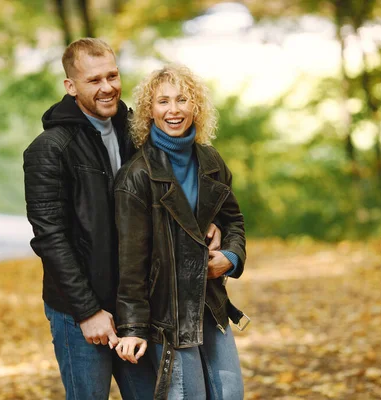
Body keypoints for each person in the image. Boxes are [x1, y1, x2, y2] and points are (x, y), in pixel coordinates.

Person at [23, 39, 222, 400]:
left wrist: (207, 225)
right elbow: (50, 239)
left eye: (112, 76)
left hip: (137, 307)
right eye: (93, 80)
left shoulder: (137, 133)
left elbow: (174, 191)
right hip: (79, 312)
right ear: (71, 87)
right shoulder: (49, 149)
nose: (107, 87)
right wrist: (87, 311)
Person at [113, 64, 250, 400]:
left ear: (196, 107)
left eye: (182, 100)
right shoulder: (137, 175)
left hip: (210, 301)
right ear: (149, 111)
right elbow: (130, 261)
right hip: (167, 314)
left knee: (230, 394)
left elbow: (233, 221)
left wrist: (229, 258)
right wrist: (132, 327)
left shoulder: (211, 161)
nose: (173, 110)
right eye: (162, 102)